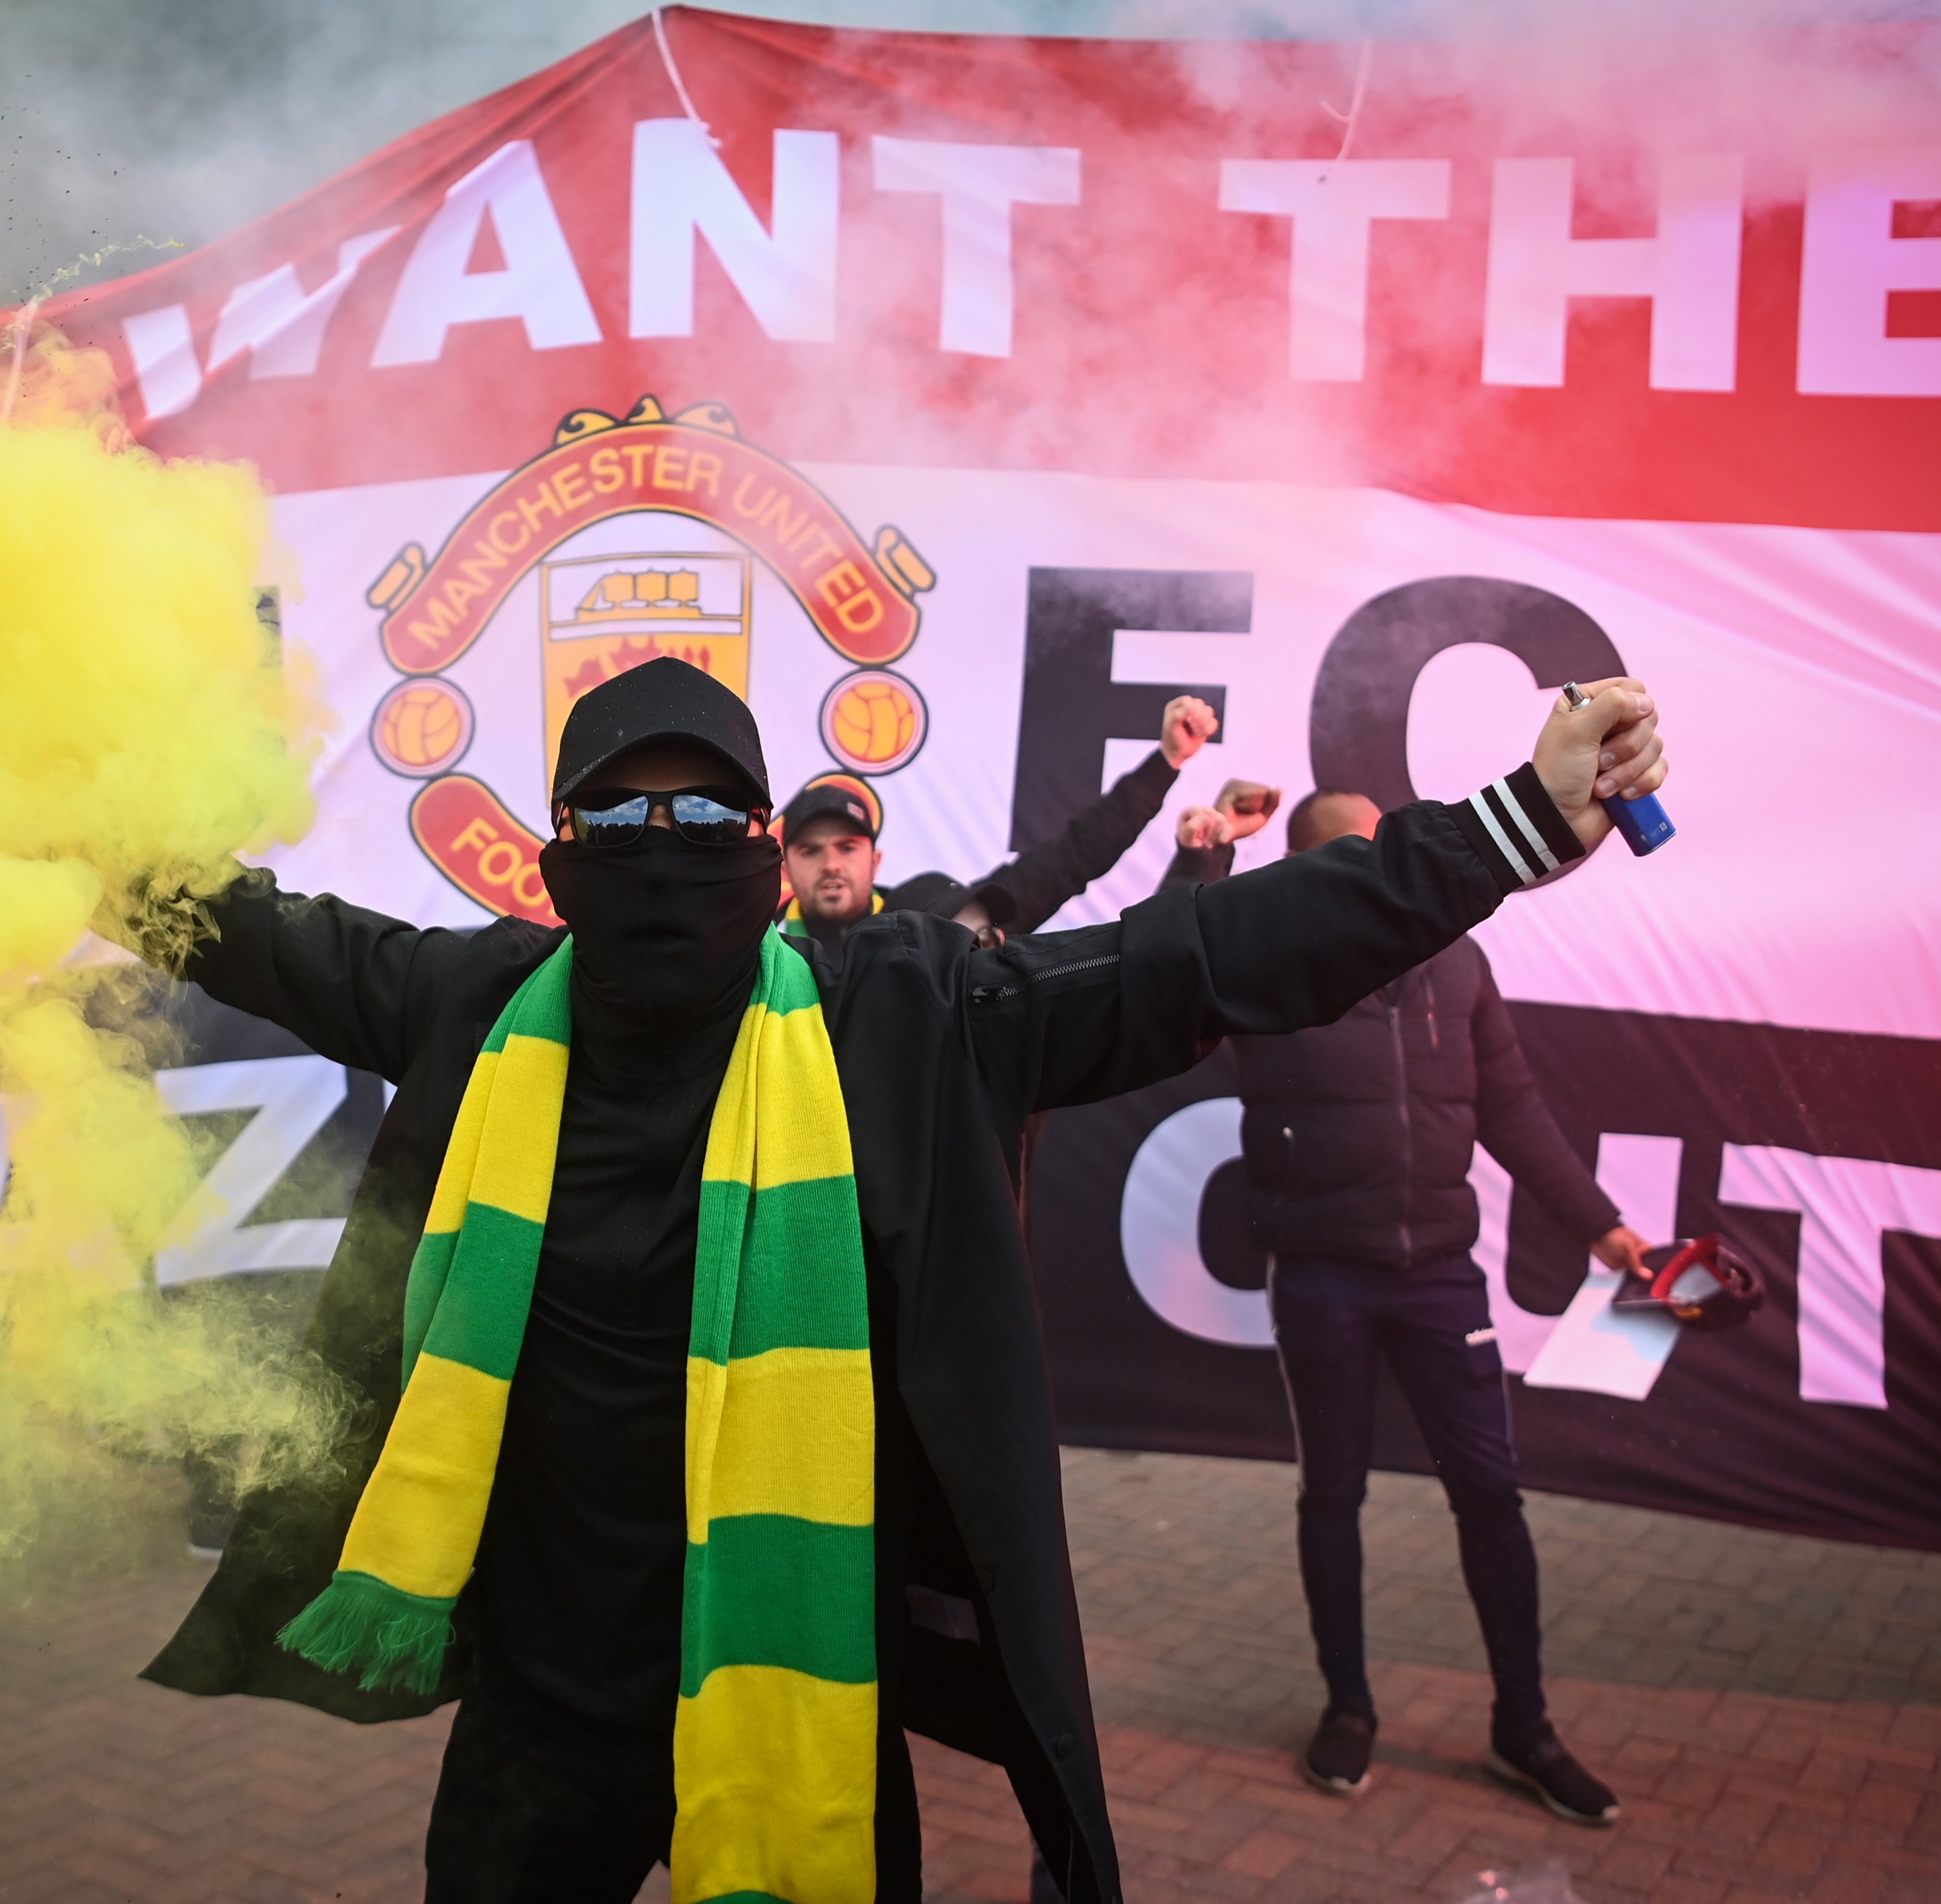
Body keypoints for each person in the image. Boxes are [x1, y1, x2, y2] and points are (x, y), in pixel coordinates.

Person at [130, 656, 1666, 1903]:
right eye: (621, 823)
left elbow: (1198, 960)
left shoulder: (903, 1006)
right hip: (548, 1697)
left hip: (807, 1663)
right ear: (557, 858)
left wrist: (1513, 817)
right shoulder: (476, 1001)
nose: (663, 857)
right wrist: (35, 830)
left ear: (760, 847)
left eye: (703, 819)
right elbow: (253, 933)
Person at [1159, 784, 1653, 1827]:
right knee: (1330, 1493)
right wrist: (1205, 858)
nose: (1379, 872)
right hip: (1320, 1272)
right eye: (1352, 856)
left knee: (1490, 1493)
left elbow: (1512, 1110)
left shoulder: (1454, 960)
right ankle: (1346, 1706)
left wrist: (1602, 1225)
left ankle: (1523, 1727)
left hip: (1438, 1270)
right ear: (1301, 878)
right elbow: (1167, 972)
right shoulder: (1263, 966)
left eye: (1380, 849)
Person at [777, 694, 1262, 960]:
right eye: (811, 851)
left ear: (875, 858)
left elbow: (1070, 858)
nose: (832, 864)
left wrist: (1167, 762)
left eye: (847, 846)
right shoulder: (760, 950)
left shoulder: (931, 921)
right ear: (786, 864)